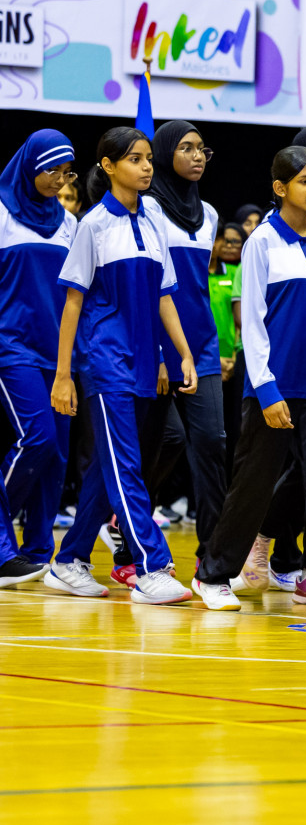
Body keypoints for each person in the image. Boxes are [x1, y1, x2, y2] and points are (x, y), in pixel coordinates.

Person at [191, 147, 306, 616]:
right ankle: (213, 573)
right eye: (304, 181)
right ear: (280, 187)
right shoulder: (261, 242)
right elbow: (256, 325)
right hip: (275, 389)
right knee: (253, 484)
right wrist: (266, 389)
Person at [49, 127, 198, 604]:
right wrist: (64, 374)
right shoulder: (92, 225)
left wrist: (181, 352)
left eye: (149, 158)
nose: (148, 166)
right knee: (126, 465)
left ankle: (68, 560)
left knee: (108, 470)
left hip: (140, 361)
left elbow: (163, 297)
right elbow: (72, 305)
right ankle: (151, 565)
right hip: (104, 359)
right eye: (135, 159)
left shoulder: (153, 222)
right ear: (109, 167)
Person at [142, 121, 226, 570]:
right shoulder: (148, 208)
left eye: (202, 150)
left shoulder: (210, 213)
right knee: (158, 445)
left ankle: (211, 556)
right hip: (156, 346)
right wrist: (158, 353)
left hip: (203, 346)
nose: (197, 157)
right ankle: (129, 529)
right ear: (165, 153)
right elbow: (151, 286)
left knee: (212, 443)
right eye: (187, 148)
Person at [0, 130, 77, 586]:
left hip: (58, 351)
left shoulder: (67, 223)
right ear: (29, 166)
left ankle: (35, 551)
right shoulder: (1, 214)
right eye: (50, 170)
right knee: (38, 438)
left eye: (65, 172)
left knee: (57, 456)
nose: (57, 179)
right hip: (11, 345)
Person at [209, 221, 245, 478]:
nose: (215, 245)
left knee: (234, 427)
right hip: (206, 362)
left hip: (232, 362)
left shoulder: (234, 272)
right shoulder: (195, 273)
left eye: (218, 239)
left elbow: (239, 320)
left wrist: (232, 357)